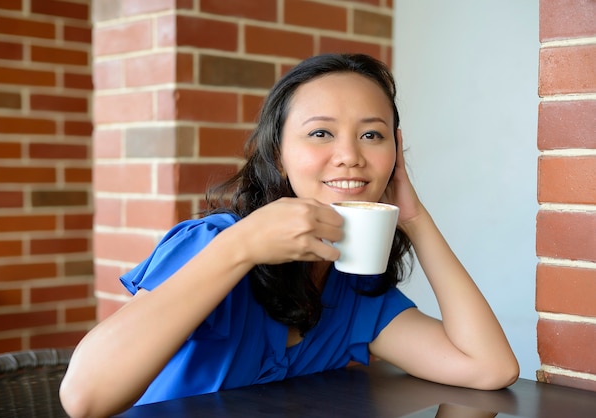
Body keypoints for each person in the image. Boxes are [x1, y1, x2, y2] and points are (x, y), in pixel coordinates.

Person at [59, 53, 519, 417]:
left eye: (373, 136)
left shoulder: (354, 286)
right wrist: (240, 248)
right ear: (277, 156)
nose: (349, 156)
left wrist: (416, 219)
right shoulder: (212, 242)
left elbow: (489, 367)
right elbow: (84, 399)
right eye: (321, 133)